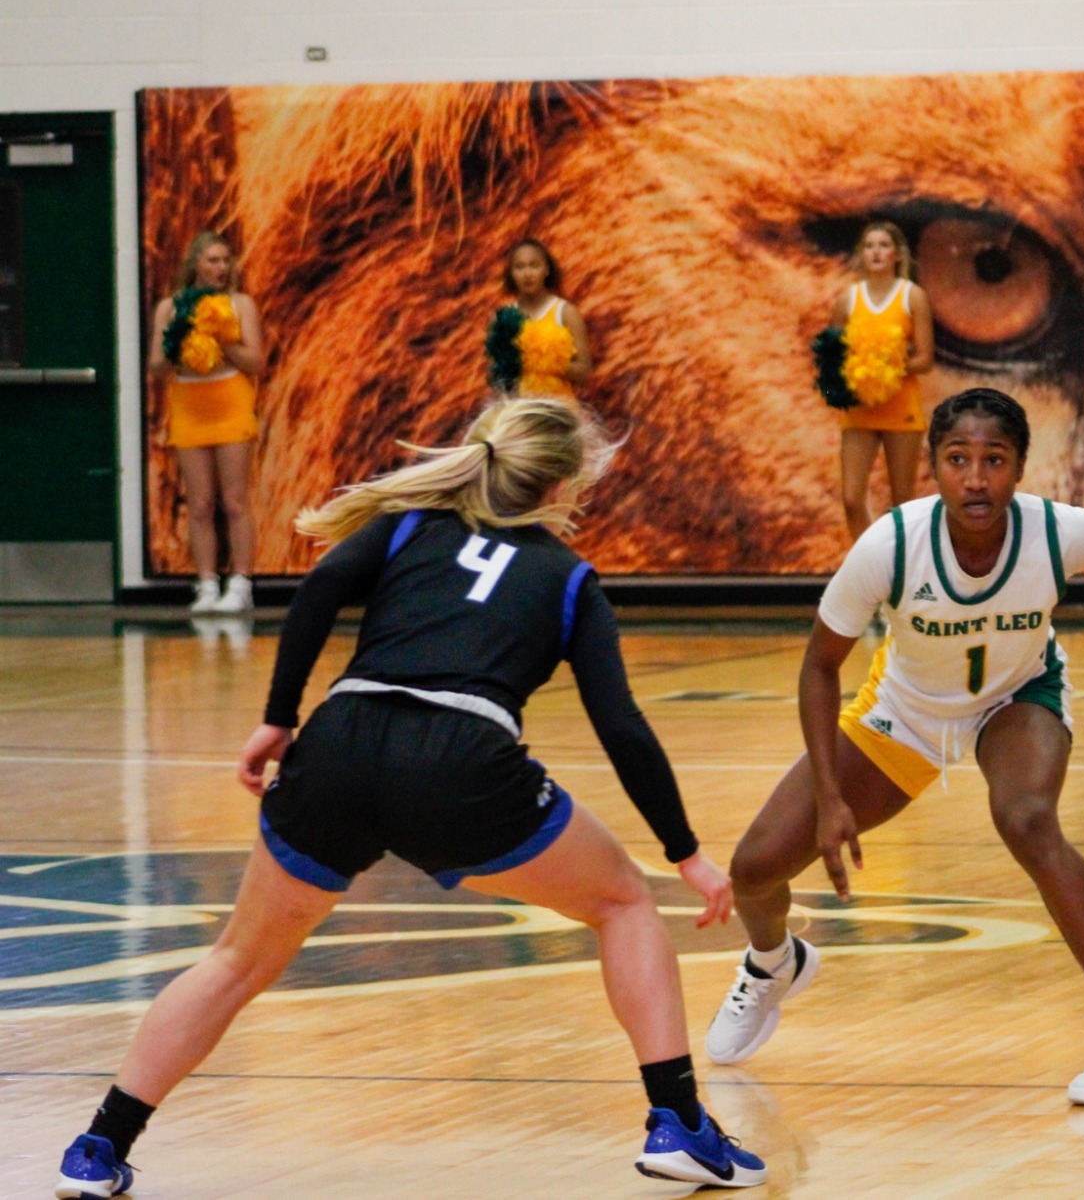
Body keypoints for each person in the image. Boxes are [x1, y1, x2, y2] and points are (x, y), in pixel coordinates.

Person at [53, 397, 763, 1199]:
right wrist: (686, 853)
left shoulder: (406, 526)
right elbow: (622, 726)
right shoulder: (567, 578)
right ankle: (677, 1121)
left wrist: (278, 718)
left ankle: (97, 1146)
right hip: (461, 763)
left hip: (340, 743)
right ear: (565, 486)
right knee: (625, 902)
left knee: (236, 960)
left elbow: (319, 586)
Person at [706, 388, 1084, 1106]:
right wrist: (832, 792)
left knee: (1027, 817)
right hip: (906, 713)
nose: (976, 477)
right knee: (754, 867)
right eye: (958, 459)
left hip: (1017, 697)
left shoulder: (1059, 531)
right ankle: (771, 961)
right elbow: (819, 666)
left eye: (994, 459)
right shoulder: (890, 545)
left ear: (1020, 467)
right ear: (932, 469)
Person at [149, 232, 265, 613]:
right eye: (213, 260)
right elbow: (156, 368)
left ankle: (241, 583)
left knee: (234, 499)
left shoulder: (240, 303)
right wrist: (177, 341)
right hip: (189, 405)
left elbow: (255, 362)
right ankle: (206, 584)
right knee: (199, 503)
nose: (221, 267)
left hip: (229, 402)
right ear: (195, 264)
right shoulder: (170, 307)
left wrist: (221, 339)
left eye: (225, 260)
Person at [830, 221, 935, 540]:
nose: (876, 252)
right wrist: (846, 376)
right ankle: (869, 560)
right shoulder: (848, 299)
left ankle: (902, 567)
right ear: (861, 255)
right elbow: (833, 353)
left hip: (900, 409)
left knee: (903, 502)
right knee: (851, 498)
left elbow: (925, 360)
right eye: (869, 246)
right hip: (860, 409)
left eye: (883, 245)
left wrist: (886, 368)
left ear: (897, 255)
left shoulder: (912, 296)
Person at [493, 238, 592, 397]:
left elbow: (584, 372)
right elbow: (493, 376)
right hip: (517, 413)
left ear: (546, 269)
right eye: (519, 267)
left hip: (557, 413)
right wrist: (510, 361)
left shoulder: (566, 313)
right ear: (511, 273)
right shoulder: (503, 318)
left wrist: (546, 359)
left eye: (534, 266)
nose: (527, 274)